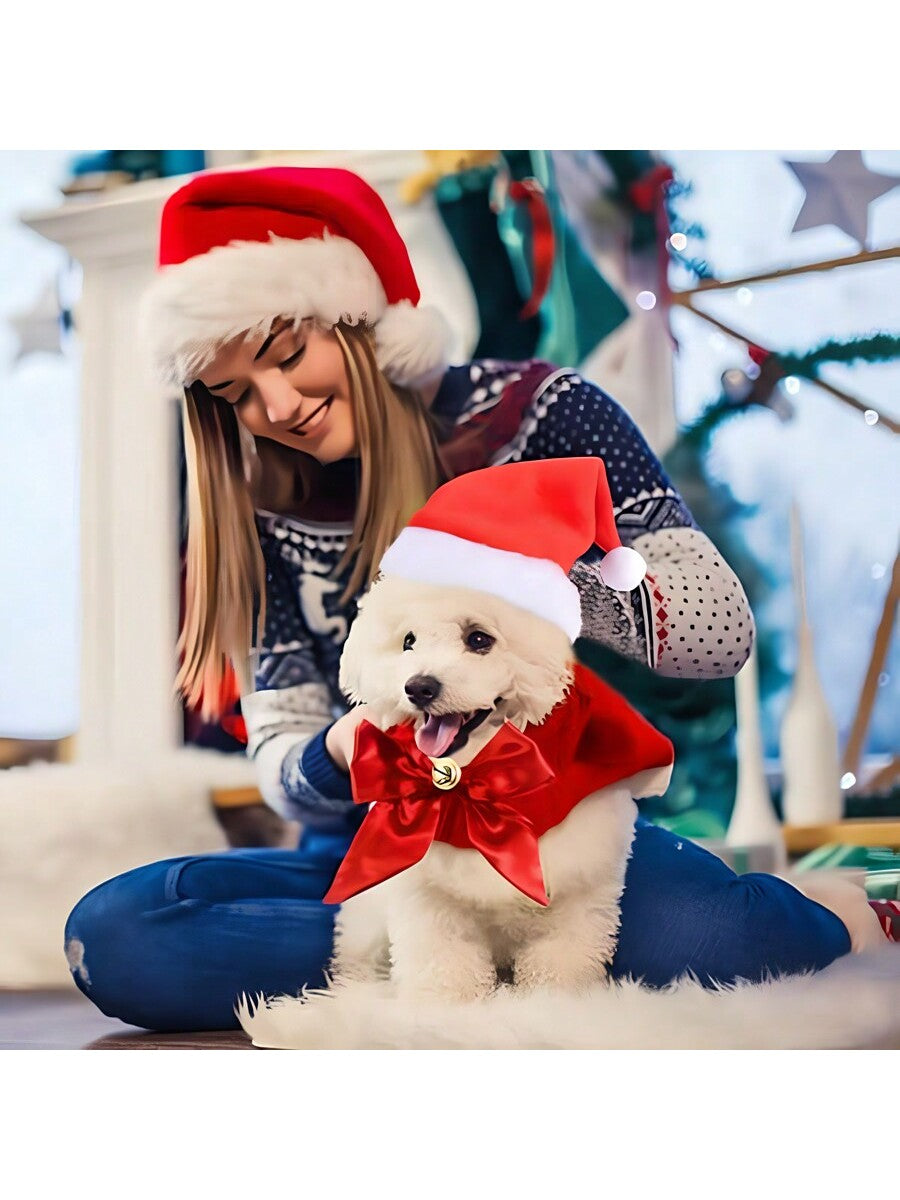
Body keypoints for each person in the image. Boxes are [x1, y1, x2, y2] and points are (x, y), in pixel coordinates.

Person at [64, 166, 851, 1031]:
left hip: (561, 829)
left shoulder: (549, 414)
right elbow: (281, 762)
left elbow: (720, 635)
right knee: (118, 933)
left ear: (367, 318)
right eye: (233, 394)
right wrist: (350, 742)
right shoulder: (257, 508)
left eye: (288, 355)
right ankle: (440, 948)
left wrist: (537, 584)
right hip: (378, 847)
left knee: (725, 943)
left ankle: (479, 953)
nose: (277, 405)